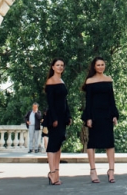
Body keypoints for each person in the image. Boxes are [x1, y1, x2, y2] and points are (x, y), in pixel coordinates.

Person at [82, 57, 119, 184]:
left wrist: (114, 115)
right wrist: (88, 117)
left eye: (102, 64)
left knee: (109, 143)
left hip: (107, 115)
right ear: (94, 66)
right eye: (98, 65)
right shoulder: (90, 81)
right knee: (92, 143)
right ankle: (93, 170)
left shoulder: (108, 79)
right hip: (95, 115)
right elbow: (89, 101)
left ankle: (111, 171)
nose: (101, 67)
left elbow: (111, 99)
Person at [44, 58, 71, 186]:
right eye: (57, 65)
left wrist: (68, 115)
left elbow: (65, 101)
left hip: (62, 116)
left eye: (62, 65)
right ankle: (52, 172)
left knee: (59, 143)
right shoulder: (50, 81)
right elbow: (51, 103)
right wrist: (54, 118)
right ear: (53, 67)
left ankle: (57, 172)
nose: (60, 67)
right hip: (54, 117)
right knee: (52, 145)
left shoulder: (62, 81)